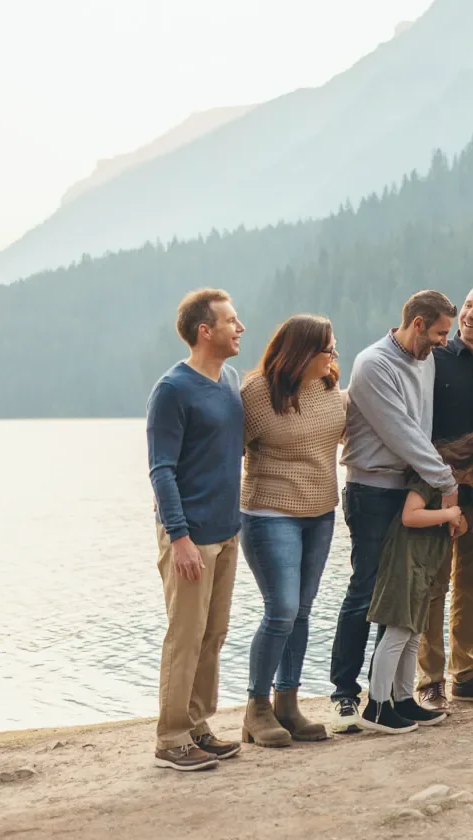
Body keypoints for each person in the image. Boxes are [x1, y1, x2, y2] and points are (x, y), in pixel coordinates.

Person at [328, 290, 460, 733]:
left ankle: (392, 698)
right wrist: (446, 482)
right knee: (366, 589)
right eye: (441, 332)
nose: (445, 342)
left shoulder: (426, 358)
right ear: (418, 323)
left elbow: (421, 430)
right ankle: (346, 694)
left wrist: (433, 481)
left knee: (403, 594)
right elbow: (402, 433)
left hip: (407, 490)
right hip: (370, 491)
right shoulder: (374, 364)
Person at [147, 288, 246, 771]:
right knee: (185, 637)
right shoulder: (172, 390)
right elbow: (161, 470)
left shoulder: (229, 379)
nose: (240, 328)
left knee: (213, 634)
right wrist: (180, 537)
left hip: (228, 530)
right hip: (190, 536)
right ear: (205, 331)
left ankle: (197, 725)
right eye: (231, 321)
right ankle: (170, 739)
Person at [237, 315, 346, 747]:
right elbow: (226, 450)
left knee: (301, 609)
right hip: (269, 513)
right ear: (301, 352)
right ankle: (256, 708)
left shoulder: (327, 385)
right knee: (280, 608)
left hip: (320, 512)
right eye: (328, 349)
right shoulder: (257, 394)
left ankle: (288, 703)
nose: (334, 356)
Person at [362, 431, 473, 734]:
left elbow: (458, 524)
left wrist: (457, 517)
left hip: (425, 563)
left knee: (414, 632)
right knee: (398, 630)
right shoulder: (432, 474)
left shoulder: (457, 489)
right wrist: (450, 512)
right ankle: (376, 706)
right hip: (407, 560)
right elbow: (410, 516)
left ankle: (402, 698)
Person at [416, 281, 473, 711]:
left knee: (470, 586)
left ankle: (465, 673)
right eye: (468, 306)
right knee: (433, 584)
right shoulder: (434, 358)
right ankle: (430, 678)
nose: (470, 315)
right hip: (434, 487)